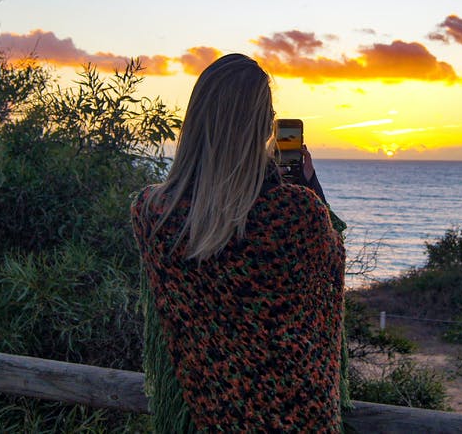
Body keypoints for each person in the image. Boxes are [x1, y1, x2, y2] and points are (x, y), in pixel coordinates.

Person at [131, 53, 346, 432]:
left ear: (195, 119)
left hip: (204, 417)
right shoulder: (294, 212)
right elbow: (329, 263)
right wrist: (306, 186)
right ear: (264, 126)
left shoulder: (154, 213)